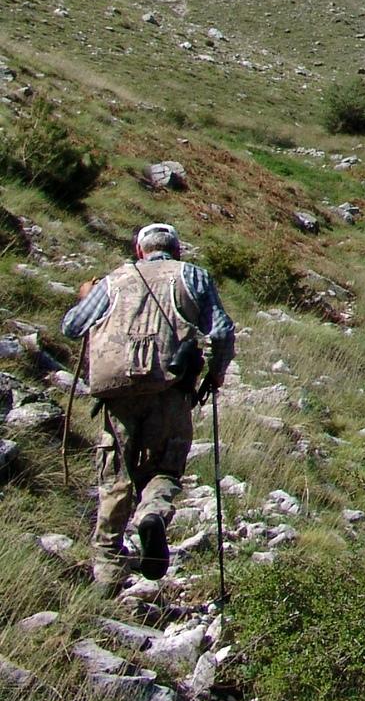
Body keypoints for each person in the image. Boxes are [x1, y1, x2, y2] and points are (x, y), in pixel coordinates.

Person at [62, 222, 235, 592]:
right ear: (177, 251)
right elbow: (221, 332)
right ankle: (152, 514)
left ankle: (107, 576)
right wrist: (216, 375)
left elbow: (72, 327)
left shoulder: (112, 280)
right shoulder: (192, 276)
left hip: (118, 398)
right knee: (165, 470)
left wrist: (85, 297)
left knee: (115, 481)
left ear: (139, 251)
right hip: (170, 392)